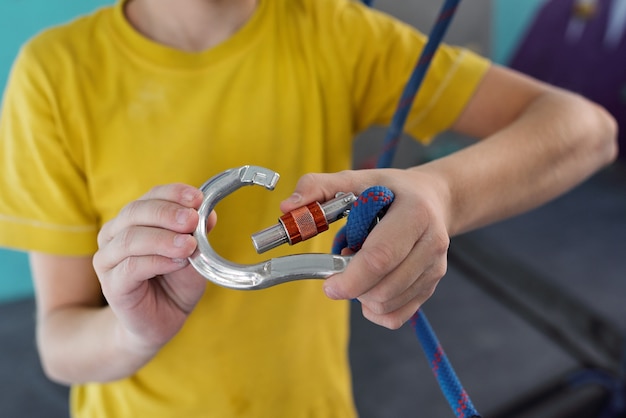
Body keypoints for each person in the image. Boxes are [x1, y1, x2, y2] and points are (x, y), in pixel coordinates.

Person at [0, 0, 617, 416]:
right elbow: (59, 342)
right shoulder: (55, 76)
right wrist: (133, 331)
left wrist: (444, 193)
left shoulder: (335, 32)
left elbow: (586, 130)